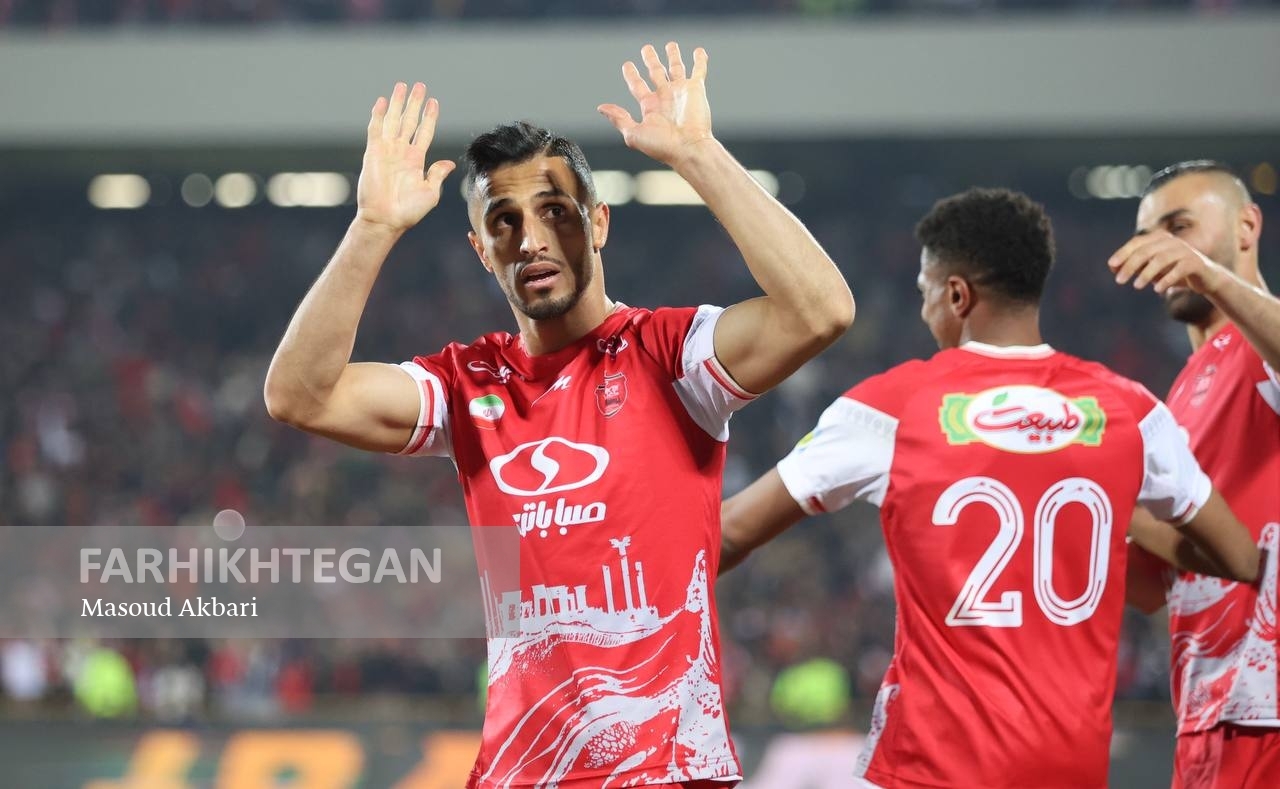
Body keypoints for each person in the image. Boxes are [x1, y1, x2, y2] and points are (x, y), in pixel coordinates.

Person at [264, 42, 854, 788]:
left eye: (554, 212)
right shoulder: (466, 385)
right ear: (481, 250)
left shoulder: (670, 356)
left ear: (598, 223)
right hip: (520, 773)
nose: (532, 239)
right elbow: (299, 395)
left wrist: (699, 155)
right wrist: (373, 227)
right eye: (504, 221)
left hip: (664, 770)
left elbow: (821, 311)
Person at [719, 187, 1259, 789]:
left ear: (956, 295)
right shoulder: (1131, 410)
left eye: (925, 292)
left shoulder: (890, 407)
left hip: (931, 769)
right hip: (1070, 770)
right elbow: (1238, 557)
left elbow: (730, 532)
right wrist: (1110, 499)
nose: (925, 311)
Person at [1114, 160, 1280, 788]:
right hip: (1206, 711)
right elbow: (1155, 587)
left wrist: (1212, 278)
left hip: (1270, 705)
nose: (1160, 247)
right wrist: (1090, 494)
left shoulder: (1262, 348)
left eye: (1179, 226)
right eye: (1147, 234)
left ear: (1247, 227)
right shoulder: (1177, 400)